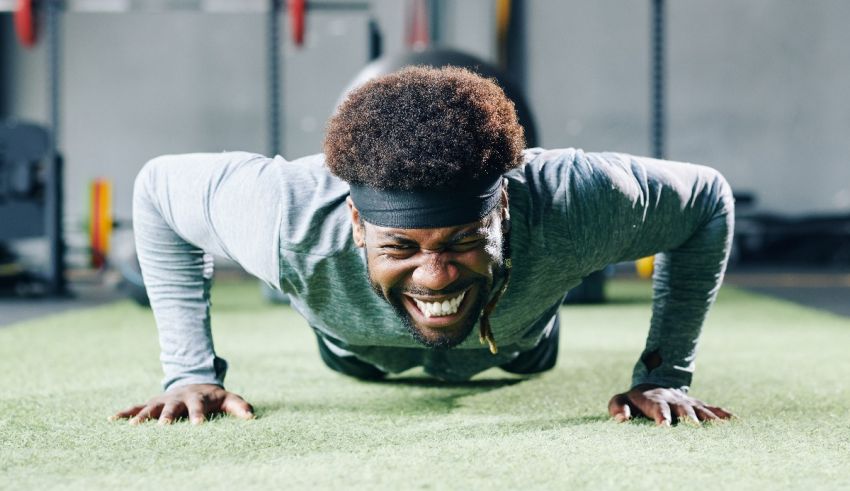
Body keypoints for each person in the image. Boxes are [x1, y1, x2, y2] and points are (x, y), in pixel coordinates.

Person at [111, 66, 735, 427]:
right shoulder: (282, 215)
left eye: (464, 238)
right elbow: (157, 191)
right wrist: (190, 372)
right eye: (401, 246)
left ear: (505, 205)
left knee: (517, 334)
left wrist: (664, 374)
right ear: (357, 220)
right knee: (313, 291)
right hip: (356, 355)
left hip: (515, 349)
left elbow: (708, 199)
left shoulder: (579, 201)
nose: (435, 276)